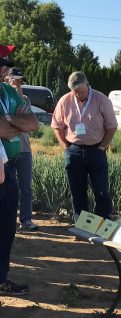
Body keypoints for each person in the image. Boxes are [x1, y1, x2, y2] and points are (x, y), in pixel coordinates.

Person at [51, 71, 117, 222]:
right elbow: (57, 125)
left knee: (101, 192)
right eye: (75, 92)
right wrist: (65, 146)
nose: (78, 95)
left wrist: (102, 147)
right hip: (74, 151)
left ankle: (102, 226)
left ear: (87, 85)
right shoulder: (65, 100)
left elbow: (112, 126)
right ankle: (81, 226)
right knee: (77, 192)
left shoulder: (101, 99)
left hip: (96, 150)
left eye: (80, 92)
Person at [0, 49, 39, 295]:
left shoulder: (8, 92)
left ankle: (1, 278)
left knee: (6, 229)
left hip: (9, 168)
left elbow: (33, 124)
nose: (4, 68)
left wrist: (6, 118)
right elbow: (3, 130)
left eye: (4, 64)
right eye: (1, 64)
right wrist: (13, 124)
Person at [5, 67, 38, 230]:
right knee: (7, 188)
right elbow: (11, 121)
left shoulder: (25, 99)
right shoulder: (3, 98)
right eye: (15, 80)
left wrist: (16, 121)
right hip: (7, 150)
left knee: (26, 187)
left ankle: (25, 219)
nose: (18, 84)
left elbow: (30, 124)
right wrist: (17, 120)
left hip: (24, 149)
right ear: (7, 80)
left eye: (21, 81)